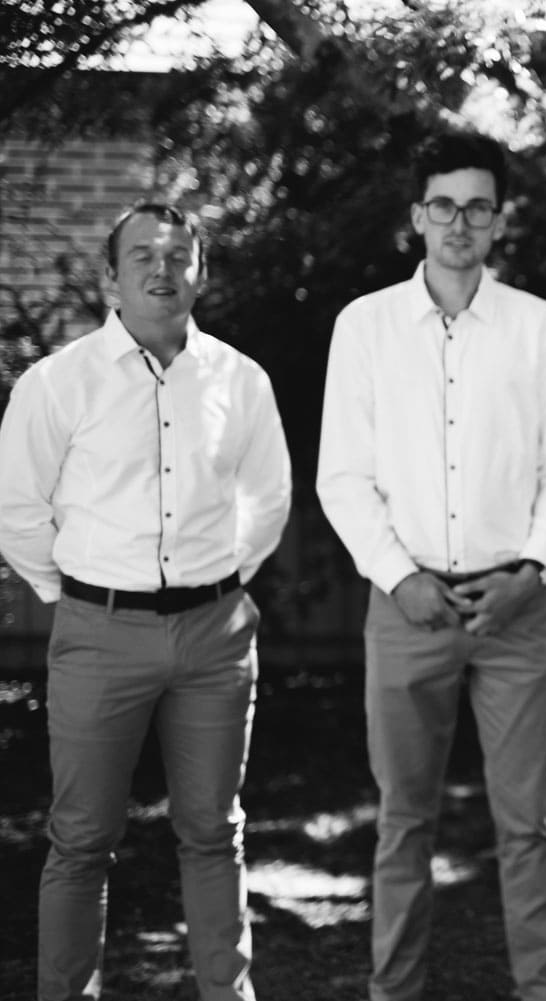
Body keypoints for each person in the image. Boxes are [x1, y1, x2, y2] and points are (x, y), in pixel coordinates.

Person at [316, 132, 546, 1001]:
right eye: (444, 205)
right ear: (416, 218)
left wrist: (535, 570)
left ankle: (541, 991)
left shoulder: (541, 328)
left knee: (527, 827)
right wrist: (400, 577)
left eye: (476, 205)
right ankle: (394, 990)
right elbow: (343, 475)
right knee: (402, 822)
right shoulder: (363, 328)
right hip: (408, 604)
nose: (459, 221)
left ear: (498, 219)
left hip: (517, 605)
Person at [0, 203, 291, 1001]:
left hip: (215, 635)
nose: (161, 270)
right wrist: (77, 596)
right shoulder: (57, 383)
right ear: (111, 276)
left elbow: (267, 499)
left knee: (212, 832)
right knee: (81, 839)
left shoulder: (242, 379)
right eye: (142, 256)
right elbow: (18, 509)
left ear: (201, 270)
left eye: (178, 255)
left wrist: (216, 579)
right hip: (98, 633)